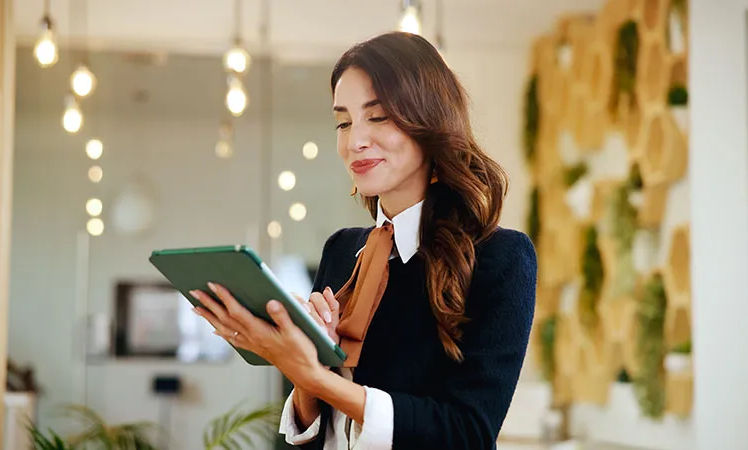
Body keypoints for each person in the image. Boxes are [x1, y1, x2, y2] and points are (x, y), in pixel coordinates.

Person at [191, 31, 537, 450]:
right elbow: (316, 431)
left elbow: (467, 433)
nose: (354, 141)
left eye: (378, 117)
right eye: (343, 121)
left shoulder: (501, 258)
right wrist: (306, 377)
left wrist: (315, 376)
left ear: (429, 123)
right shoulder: (342, 250)